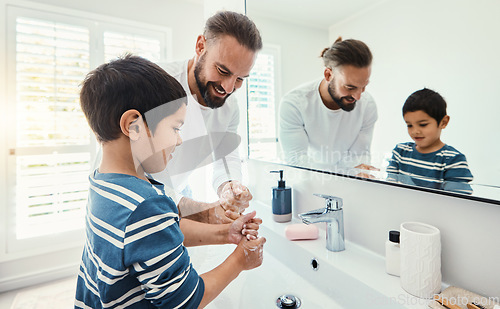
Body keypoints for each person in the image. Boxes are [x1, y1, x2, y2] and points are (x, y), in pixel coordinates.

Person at [75, 55, 266, 308]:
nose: (178, 140)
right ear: (133, 127)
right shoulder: (146, 206)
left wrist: (225, 233)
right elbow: (185, 301)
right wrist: (240, 260)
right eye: (176, 128)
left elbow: (156, 236)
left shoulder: (104, 183)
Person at [153, 11, 262, 222]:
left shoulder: (230, 108)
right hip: (133, 204)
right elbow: (142, 178)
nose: (228, 88)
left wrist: (230, 188)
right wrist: (210, 214)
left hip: (178, 194)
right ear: (200, 46)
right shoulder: (157, 85)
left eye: (240, 79)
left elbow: (226, 158)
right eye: (222, 70)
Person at [278, 37, 378, 173]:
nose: (358, 96)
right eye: (350, 87)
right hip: (308, 181)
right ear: (328, 74)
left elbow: (359, 158)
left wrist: (355, 171)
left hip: (349, 183)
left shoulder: (368, 105)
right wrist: (346, 171)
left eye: (364, 87)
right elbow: (297, 161)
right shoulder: (294, 104)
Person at [386, 88, 473, 194]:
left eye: (423, 125)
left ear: (443, 122)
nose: (415, 131)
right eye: (409, 125)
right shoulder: (400, 152)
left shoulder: (453, 160)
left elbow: (458, 203)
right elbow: (389, 191)